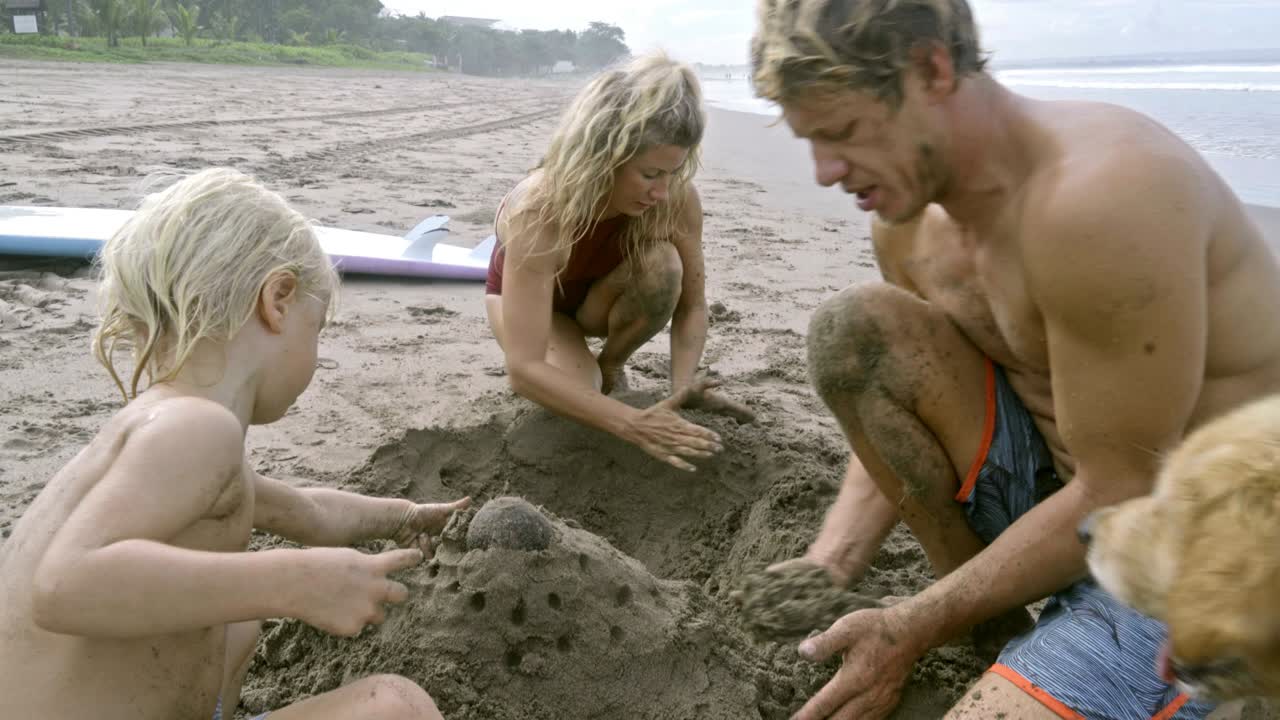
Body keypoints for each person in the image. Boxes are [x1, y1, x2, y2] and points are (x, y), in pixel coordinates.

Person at [749, 0, 1280, 718]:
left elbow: (1122, 484)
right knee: (856, 330)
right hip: (1072, 504)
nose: (823, 171)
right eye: (810, 139)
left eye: (841, 132)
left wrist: (909, 624)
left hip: (1193, 542)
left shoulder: (1099, 200)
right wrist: (835, 558)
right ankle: (989, 629)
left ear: (931, 69)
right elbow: (904, 430)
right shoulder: (909, 222)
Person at [0, 168, 470, 720]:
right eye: (316, 327)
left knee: (235, 623)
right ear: (278, 300)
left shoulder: (164, 426)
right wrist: (296, 582)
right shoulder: (197, 431)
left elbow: (311, 512)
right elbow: (62, 586)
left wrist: (407, 515)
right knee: (397, 707)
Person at [484, 51, 754, 473]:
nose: (662, 192)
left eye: (674, 172)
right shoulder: (538, 211)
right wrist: (632, 424)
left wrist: (681, 390)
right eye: (650, 175)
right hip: (534, 306)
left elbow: (692, 306)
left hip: (598, 298)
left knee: (664, 265)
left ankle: (612, 362)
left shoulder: (675, 199)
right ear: (604, 157)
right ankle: (591, 371)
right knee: (577, 390)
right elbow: (524, 368)